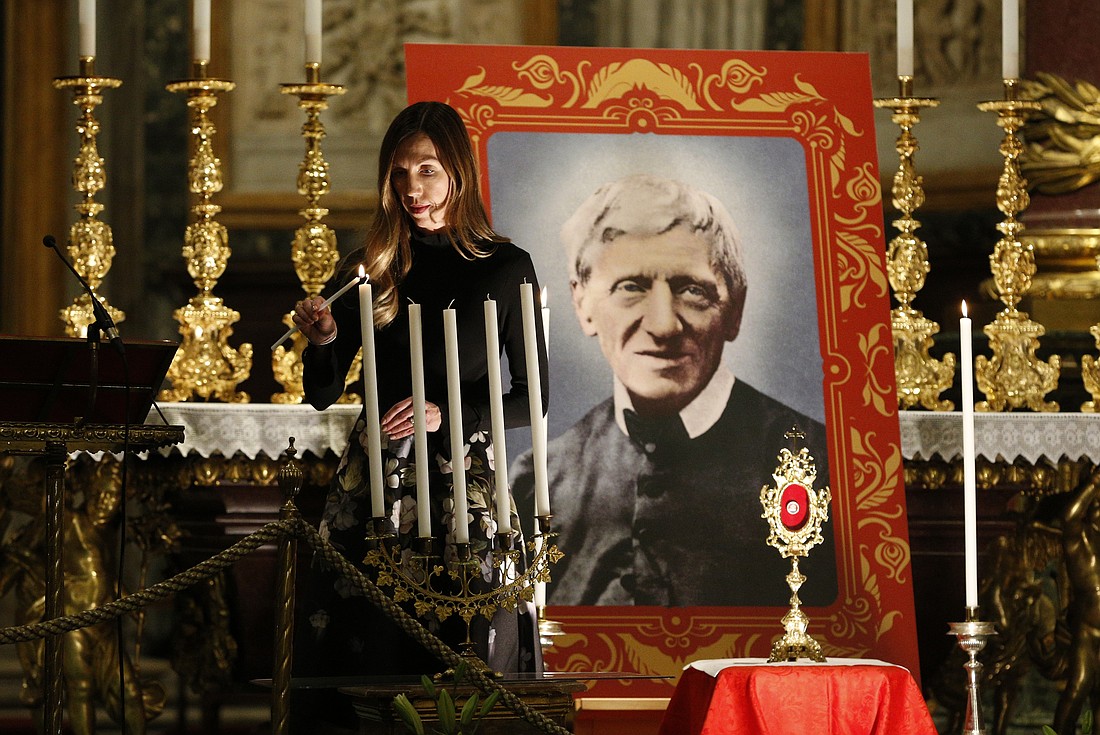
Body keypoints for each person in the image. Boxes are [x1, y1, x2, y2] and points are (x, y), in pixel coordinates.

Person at [291, 101, 549, 687]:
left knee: (461, 656)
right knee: (367, 652)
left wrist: (446, 413)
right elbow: (321, 393)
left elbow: (531, 400)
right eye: (400, 173)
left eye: (428, 169)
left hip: (464, 482)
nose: (413, 187)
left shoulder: (505, 268)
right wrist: (326, 340)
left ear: (458, 171)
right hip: (376, 482)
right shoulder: (369, 267)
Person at [511, 173, 835, 607]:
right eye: (631, 287)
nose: (663, 325)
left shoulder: (822, 465)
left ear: (734, 308)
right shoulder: (540, 480)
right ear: (582, 303)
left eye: (691, 290)